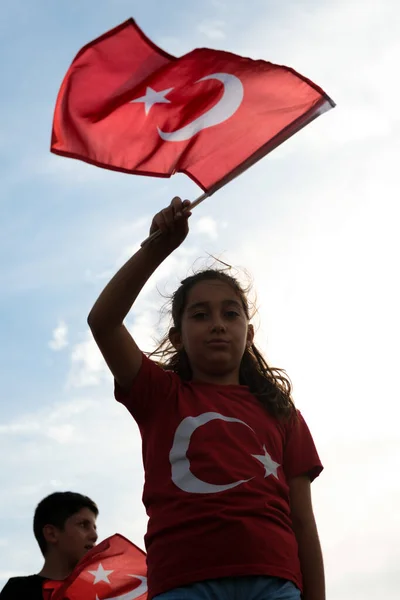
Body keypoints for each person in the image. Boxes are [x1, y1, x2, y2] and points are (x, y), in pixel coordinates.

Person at [88, 197, 326, 600]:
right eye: (200, 315)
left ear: (248, 334)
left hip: (275, 581)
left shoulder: (282, 412)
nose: (217, 325)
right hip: (183, 583)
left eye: (231, 314)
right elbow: (103, 322)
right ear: (177, 336)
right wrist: (158, 248)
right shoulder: (160, 396)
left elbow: (304, 522)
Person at [0, 491, 98, 600]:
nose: (94, 535)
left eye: (94, 527)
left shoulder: (100, 592)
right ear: (51, 534)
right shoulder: (19, 591)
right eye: (83, 525)